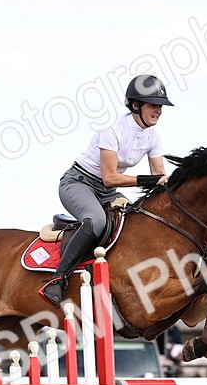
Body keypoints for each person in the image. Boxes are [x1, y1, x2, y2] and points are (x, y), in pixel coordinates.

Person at [39, 74, 175, 307]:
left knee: (136, 220)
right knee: (96, 221)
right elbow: (110, 178)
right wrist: (149, 180)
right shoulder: (112, 130)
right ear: (135, 105)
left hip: (106, 189)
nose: (158, 110)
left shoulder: (154, 135)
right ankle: (57, 279)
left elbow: (159, 176)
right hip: (79, 183)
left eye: (160, 106)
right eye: (153, 105)